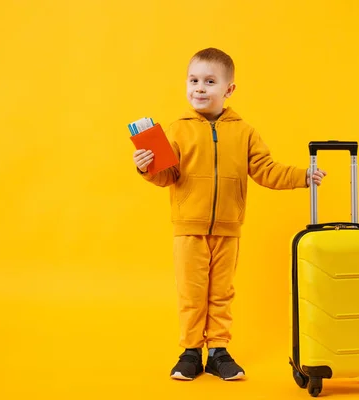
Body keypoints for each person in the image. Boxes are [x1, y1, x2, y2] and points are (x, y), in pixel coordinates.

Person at [132, 47, 325, 381]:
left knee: (221, 293)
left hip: (228, 230)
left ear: (229, 89)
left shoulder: (245, 132)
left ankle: (218, 352)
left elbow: (266, 170)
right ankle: (191, 352)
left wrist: (302, 177)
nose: (200, 88)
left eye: (209, 81)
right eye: (194, 80)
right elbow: (167, 177)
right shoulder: (177, 130)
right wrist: (147, 168)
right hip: (188, 230)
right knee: (192, 294)